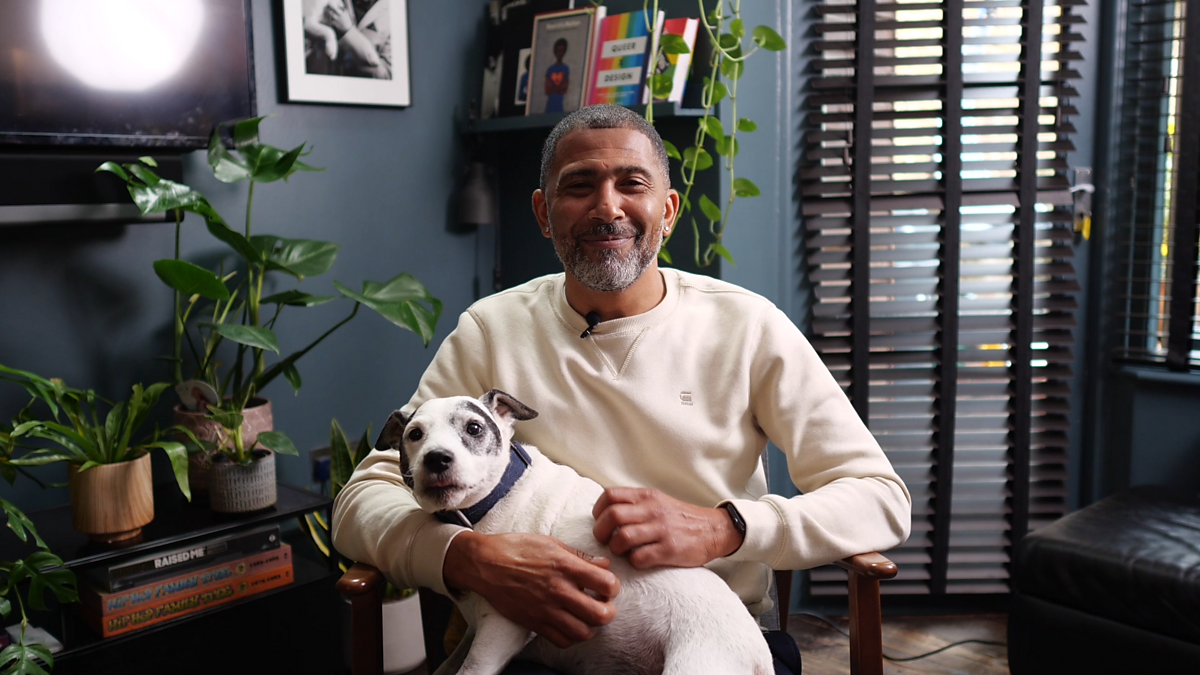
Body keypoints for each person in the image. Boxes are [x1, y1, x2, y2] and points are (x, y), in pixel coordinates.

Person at [332, 105, 911, 675]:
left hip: (709, 639)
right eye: (579, 185)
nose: (607, 207)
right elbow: (362, 497)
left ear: (668, 211)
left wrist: (727, 528)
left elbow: (880, 497)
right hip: (536, 647)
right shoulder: (491, 330)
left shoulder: (748, 327)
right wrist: (465, 557)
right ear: (543, 213)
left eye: (632, 184)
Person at [543, 38, 570, 113]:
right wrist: (557, 89)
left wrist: (556, 88)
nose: (560, 53)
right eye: (558, 51)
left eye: (562, 51)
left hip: (560, 102)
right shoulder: (550, 69)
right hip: (550, 102)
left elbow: (565, 87)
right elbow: (547, 89)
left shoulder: (565, 69)